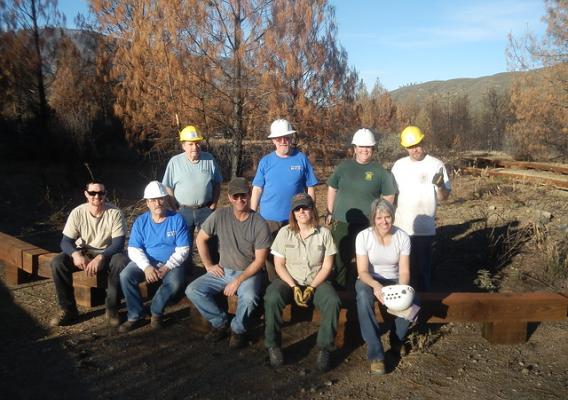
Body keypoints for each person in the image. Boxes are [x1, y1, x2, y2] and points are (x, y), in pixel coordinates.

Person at [186, 177, 271, 349]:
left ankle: (238, 329)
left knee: (249, 297)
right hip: (223, 270)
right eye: (236, 196)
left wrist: (238, 281)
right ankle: (220, 322)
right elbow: (200, 239)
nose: (240, 200)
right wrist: (209, 265)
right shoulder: (220, 215)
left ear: (249, 195)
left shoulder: (259, 223)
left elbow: (260, 260)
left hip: (249, 273)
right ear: (230, 198)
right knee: (193, 290)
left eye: (244, 195)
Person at [264, 193, 340, 372]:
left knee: (333, 301)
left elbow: (327, 266)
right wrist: (294, 287)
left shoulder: (324, 234)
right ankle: (273, 345)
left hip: (317, 281)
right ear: (293, 213)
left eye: (305, 207)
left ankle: (324, 347)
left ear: (312, 210)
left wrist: (312, 287)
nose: (301, 211)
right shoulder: (284, 233)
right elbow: (279, 265)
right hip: (289, 280)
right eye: (297, 209)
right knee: (272, 297)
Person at [326, 128, 397, 289]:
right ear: (355, 148)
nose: (365, 150)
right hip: (342, 222)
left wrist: (381, 220)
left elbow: (389, 197)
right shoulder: (344, 167)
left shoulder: (380, 171)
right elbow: (332, 188)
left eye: (369, 147)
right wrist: (329, 212)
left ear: (373, 149)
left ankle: (363, 292)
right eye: (362, 147)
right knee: (340, 258)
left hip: (368, 224)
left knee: (365, 260)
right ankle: (341, 291)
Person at [50, 181, 128, 327]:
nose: (97, 196)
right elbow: (65, 242)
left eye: (100, 193)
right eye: (92, 193)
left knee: (120, 261)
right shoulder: (78, 212)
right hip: (84, 252)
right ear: (86, 194)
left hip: (108, 253)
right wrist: (75, 254)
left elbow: (118, 244)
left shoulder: (115, 213)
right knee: (57, 262)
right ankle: (68, 309)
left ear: (105, 194)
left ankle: (112, 308)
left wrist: (101, 257)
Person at [118, 181, 190, 333]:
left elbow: (183, 249)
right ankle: (135, 315)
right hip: (147, 261)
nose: (157, 203)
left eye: (160, 198)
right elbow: (133, 249)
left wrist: (167, 267)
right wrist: (146, 266)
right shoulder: (141, 221)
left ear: (165, 199)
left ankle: (156, 312)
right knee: (125, 275)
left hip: (171, 262)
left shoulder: (177, 219)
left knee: (175, 281)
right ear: (147, 203)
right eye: (152, 200)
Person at [251, 119, 318, 282]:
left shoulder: (301, 159)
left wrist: (312, 213)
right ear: (273, 140)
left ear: (291, 137)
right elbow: (257, 189)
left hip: (296, 218)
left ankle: (295, 284)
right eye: (279, 138)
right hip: (270, 220)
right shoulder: (265, 161)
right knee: (271, 256)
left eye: (286, 137)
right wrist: (252, 214)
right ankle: (275, 286)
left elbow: (310, 187)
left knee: (295, 254)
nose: (283, 141)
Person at [355, 198, 411, 375]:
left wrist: (402, 289)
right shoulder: (363, 236)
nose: (384, 222)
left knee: (412, 300)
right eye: (379, 218)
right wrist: (376, 285)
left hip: (394, 278)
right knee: (363, 297)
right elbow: (362, 271)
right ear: (373, 219)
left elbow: (404, 271)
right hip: (369, 279)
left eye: (387, 217)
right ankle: (376, 354)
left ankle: (397, 340)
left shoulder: (402, 236)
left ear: (392, 217)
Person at [391, 126, 451, 291]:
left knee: (423, 273)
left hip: (424, 230)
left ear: (423, 141)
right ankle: (402, 311)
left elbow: (443, 197)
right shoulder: (398, 166)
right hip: (401, 228)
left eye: (417, 144)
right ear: (405, 147)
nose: (415, 149)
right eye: (411, 147)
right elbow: (392, 195)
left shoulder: (436, 164)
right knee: (402, 273)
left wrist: (440, 186)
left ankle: (424, 308)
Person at [162, 125, 223, 245]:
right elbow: (168, 186)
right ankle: (186, 264)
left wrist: (214, 203)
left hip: (205, 209)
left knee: (210, 244)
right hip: (183, 211)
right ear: (183, 146)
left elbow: (217, 183)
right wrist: (174, 206)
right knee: (183, 246)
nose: (195, 147)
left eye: (197, 143)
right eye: (190, 144)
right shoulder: (175, 162)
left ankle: (209, 264)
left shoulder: (209, 159)